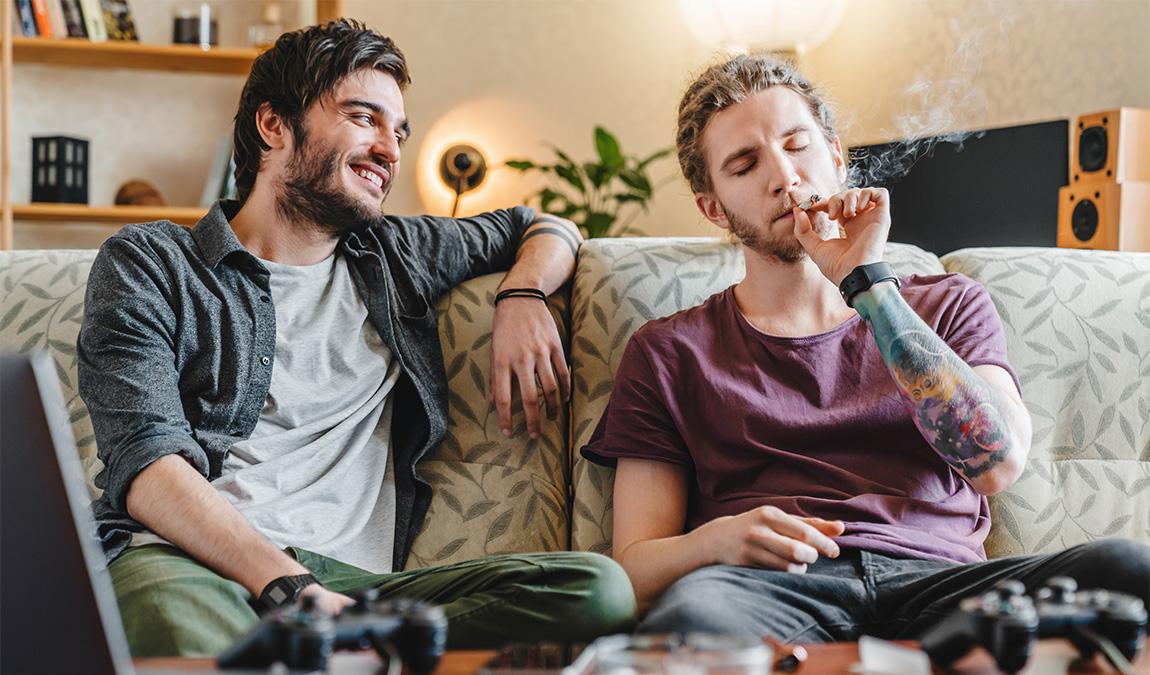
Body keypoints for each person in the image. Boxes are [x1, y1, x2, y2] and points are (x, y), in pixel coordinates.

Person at [78, 19, 634, 657]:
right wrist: (287, 586)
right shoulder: (152, 262)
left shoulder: (398, 254)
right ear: (274, 125)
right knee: (178, 622)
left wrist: (523, 294)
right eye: (364, 118)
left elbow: (543, 225)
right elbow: (147, 464)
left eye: (399, 132)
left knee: (597, 589)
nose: (391, 150)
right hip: (188, 560)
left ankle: (333, 649)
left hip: (353, 591)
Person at [582, 53, 1149, 643]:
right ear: (713, 207)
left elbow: (997, 464)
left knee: (1127, 571)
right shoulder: (669, 352)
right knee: (690, 622)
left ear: (836, 157)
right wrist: (713, 542)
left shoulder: (948, 304)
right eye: (745, 165)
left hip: (941, 585)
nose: (784, 177)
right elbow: (634, 572)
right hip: (767, 589)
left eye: (797, 145)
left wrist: (869, 286)